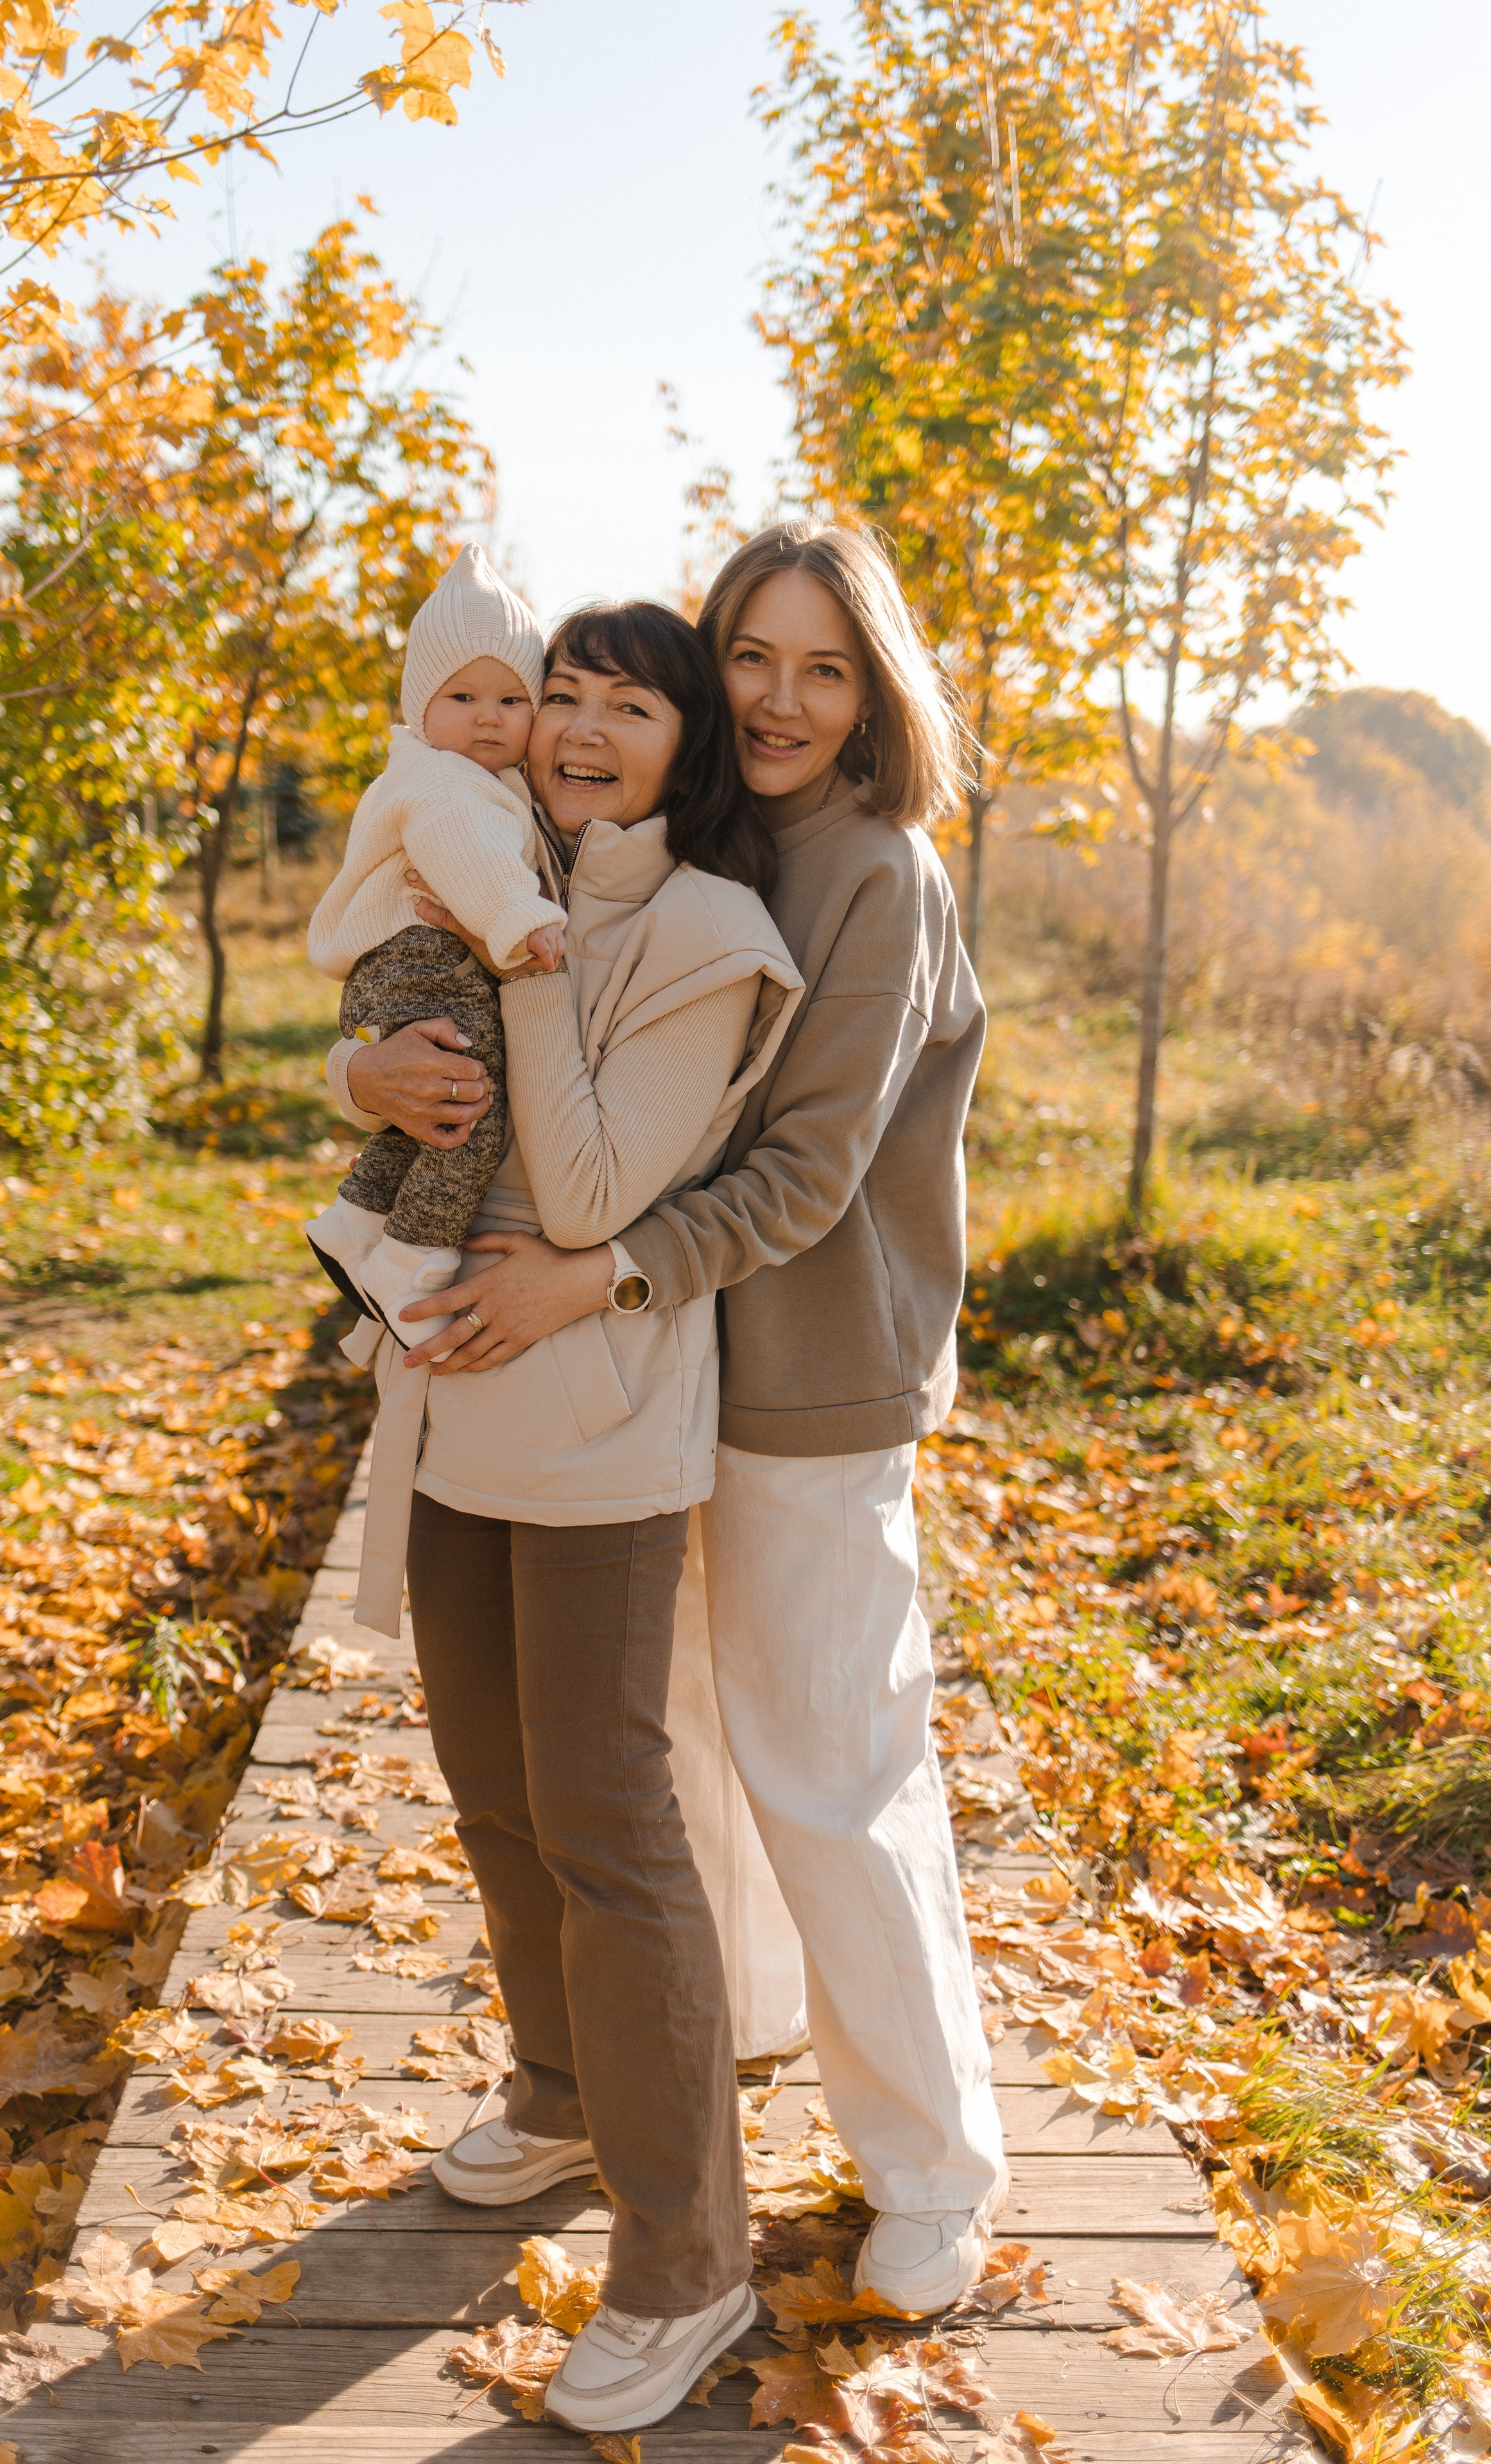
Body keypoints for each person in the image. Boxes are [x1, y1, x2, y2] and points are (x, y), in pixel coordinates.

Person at [386, 522, 1007, 2317]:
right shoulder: (705, 839)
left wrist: (589, 1278)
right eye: (755, 659)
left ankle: (932, 2166)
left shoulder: (879, 872)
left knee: (830, 1767)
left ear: (874, 684)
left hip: (810, 1380)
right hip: (663, 1380)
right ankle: (680, 2074)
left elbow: (807, 1176)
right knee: (667, 1759)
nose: (785, 699)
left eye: (826, 667)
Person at [331, 602, 804, 2433]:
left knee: (610, 1817)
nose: (586, 729)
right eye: (565, 699)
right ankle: (556, 2099)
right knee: (490, 1776)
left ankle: (688, 2261)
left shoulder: (708, 935)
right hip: (454, 1398)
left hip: (602, 1429)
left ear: (688, 747)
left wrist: (525, 959)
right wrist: (361, 1071)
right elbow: (374, 1051)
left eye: (634, 706)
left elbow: (601, 1184)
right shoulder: (483, 855)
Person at [304, 543, 565, 1341]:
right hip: (422, 960)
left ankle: (354, 1222)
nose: (488, 717)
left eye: (511, 699)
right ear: (422, 705)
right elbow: (469, 860)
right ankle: (407, 1266)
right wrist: (526, 921)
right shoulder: (445, 784)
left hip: (409, 971)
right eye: (462, 695)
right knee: (468, 1107)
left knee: (425, 1111)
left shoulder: (468, 777)